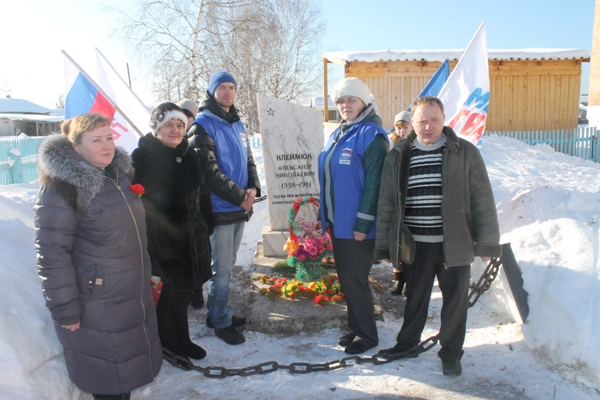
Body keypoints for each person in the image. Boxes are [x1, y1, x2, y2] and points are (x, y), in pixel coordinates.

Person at [34, 113, 162, 400]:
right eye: (96, 140)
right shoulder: (61, 187)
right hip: (97, 304)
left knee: (124, 377)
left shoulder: (117, 174)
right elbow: (52, 253)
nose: (107, 146)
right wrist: (65, 308)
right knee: (109, 382)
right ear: (76, 147)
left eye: (109, 138)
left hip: (128, 295)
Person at [374, 96, 501, 376]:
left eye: (433, 120)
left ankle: (451, 354)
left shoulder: (464, 152)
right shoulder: (398, 155)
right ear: (412, 123)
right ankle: (406, 344)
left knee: (454, 305)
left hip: (454, 245)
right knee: (415, 300)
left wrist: (487, 242)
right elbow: (387, 203)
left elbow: (482, 198)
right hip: (415, 246)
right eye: (421, 121)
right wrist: (384, 246)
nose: (428, 126)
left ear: (444, 120)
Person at [131, 101, 213, 361]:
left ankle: (183, 340)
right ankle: (169, 345)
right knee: (167, 297)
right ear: (156, 128)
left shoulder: (189, 154)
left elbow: (201, 194)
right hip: (162, 242)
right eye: (169, 125)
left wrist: (204, 224)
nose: (176, 130)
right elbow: (137, 204)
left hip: (190, 239)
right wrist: (151, 242)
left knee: (184, 293)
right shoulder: (143, 158)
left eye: (180, 125)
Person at [188, 71, 261, 345]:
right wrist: (240, 196)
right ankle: (220, 321)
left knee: (227, 266)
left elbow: (248, 159)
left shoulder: (237, 123)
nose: (228, 92)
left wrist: (253, 188)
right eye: (223, 87)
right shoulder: (203, 125)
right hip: (221, 209)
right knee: (222, 270)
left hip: (240, 205)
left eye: (232, 87)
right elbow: (209, 172)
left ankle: (218, 312)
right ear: (212, 91)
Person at [318, 77, 389, 355]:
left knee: (356, 280)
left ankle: (368, 336)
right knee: (348, 279)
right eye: (341, 101)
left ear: (364, 102)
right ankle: (357, 327)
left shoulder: (372, 135)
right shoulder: (339, 133)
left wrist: (363, 222)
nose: (345, 105)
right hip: (339, 224)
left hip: (358, 227)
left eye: (351, 100)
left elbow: (375, 184)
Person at [388, 110, 413, 296]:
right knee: (396, 241)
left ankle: (410, 278)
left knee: (409, 241)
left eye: (405, 127)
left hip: (411, 196)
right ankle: (398, 278)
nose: (401, 131)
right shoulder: (391, 144)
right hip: (395, 195)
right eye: (399, 127)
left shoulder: (416, 144)